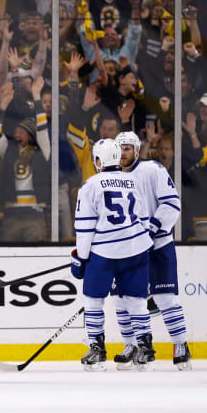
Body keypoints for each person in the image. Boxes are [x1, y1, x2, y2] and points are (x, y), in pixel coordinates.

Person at [72, 139, 154, 372]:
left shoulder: (90, 185)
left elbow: (85, 227)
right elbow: (144, 218)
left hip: (105, 253)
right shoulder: (133, 181)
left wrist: (81, 258)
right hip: (137, 249)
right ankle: (145, 348)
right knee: (137, 300)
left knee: (93, 299)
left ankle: (97, 349)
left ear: (98, 161)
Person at [112, 131, 191, 370]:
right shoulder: (110, 177)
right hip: (128, 249)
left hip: (158, 245)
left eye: (127, 148)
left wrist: (152, 228)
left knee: (165, 298)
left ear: (137, 150)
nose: (123, 153)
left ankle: (180, 346)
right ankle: (132, 345)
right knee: (122, 299)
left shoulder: (153, 170)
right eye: (120, 148)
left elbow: (171, 203)